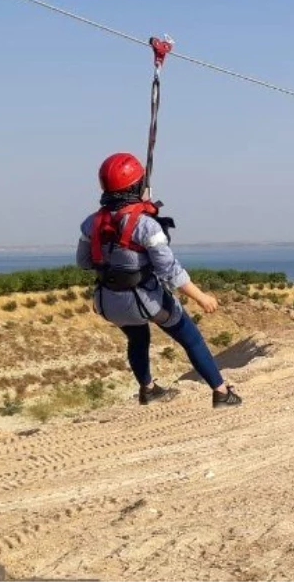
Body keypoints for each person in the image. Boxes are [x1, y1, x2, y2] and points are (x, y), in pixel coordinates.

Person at [76, 152, 242, 409]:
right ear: (137, 186)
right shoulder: (146, 226)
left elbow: (84, 262)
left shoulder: (91, 224)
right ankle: (221, 392)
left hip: (109, 302)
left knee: (137, 338)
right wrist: (201, 297)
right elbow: (169, 270)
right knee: (191, 338)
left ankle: (148, 388)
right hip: (145, 300)